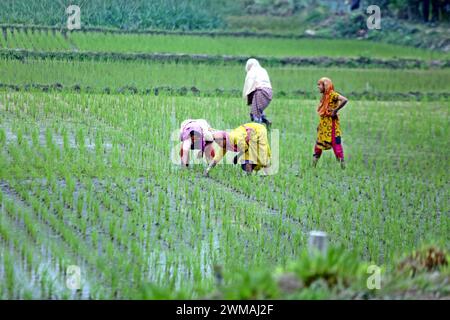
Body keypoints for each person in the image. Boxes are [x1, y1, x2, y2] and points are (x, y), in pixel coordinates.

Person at [204, 122, 271, 176]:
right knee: (246, 163)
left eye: (219, 141)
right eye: (217, 142)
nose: (219, 144)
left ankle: (267, 173)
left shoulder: (235, 138)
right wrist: (208, 169)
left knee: (261, 156)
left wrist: (237, 156)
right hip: (248, 140)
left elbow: (245, 148)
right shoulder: (226, 144)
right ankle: (249, 176)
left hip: (258, 131)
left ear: (224, 139)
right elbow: (216, 159)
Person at [313, 77, 348, 169]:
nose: (318, 87)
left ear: (326, 86)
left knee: (337, 146)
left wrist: (335, 111)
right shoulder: (324, 97)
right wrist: (319, 126)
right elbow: (323, 113)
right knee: (318, 146)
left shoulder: (332, 94)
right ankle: (312, 167)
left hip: (332, 127)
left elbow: (344, 100)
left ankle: (343, 168)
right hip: (323, 127)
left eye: (319, 85)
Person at [243, 58, 273, 126]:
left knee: (255, 113)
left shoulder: (252, 71)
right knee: (258, 110)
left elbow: (249, 86)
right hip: (269, 91)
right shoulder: (263, 70)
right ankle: (266, 122)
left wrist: (246, 96)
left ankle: (258, 127)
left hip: (261, 92)